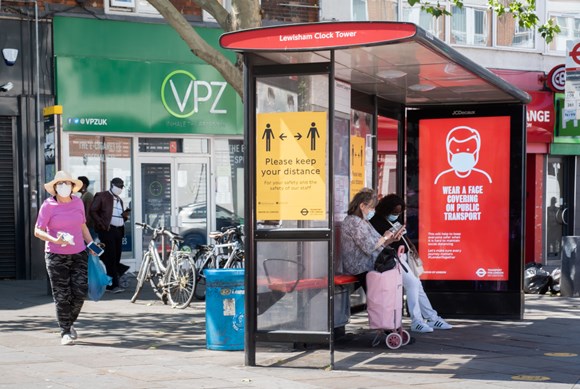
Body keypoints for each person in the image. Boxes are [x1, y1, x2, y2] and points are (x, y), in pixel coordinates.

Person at [370, 193, 452, 333]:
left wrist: (411, 247)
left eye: (399, 212)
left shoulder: (390, 220)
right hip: (392, 258)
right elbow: (380, 243)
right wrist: (391, 238)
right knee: (413, 284)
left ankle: (432, 317)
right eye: (395, 212)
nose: (397, 215)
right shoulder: (376, 222)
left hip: (403, 256)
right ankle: (417, 320)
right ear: (387, 209)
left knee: (417, 286)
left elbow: (402, 235)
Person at [34, 171, 95, 345]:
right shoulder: (48, 205)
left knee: (80, 292)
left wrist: (91, 245)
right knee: (62, 295)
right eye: (59, 184)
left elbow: (82, 225)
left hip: (79, 253)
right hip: (55, 255)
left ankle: (69, 322)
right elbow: (38, 231)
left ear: (72, 187)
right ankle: (65, 331)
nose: (63, 187)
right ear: (54, 188)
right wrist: (55, 239)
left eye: (66, 184)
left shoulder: (77, 202)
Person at [339, 188, 406, 291]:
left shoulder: (363, 221)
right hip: (360, 267)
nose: (373, 211)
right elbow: (369, 247)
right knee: (382, 293)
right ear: (362, 206)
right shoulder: (354, 222)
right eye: (371, 208)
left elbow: (376, 243)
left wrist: (390, 240)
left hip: (369, 264)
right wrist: (385, 237)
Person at [90, 177, 130, 293]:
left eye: (122, 186)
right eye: (118, 186)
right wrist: (101, 223)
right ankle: (114, 285)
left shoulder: (120, 200)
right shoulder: (102, 196)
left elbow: (118, 215)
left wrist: (125, 216)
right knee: (111, 257)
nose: (120, 188)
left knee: (115, 257)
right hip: (107, 230)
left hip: (118, 230)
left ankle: (112, 281)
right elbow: (93, 210)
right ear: (112, 185)